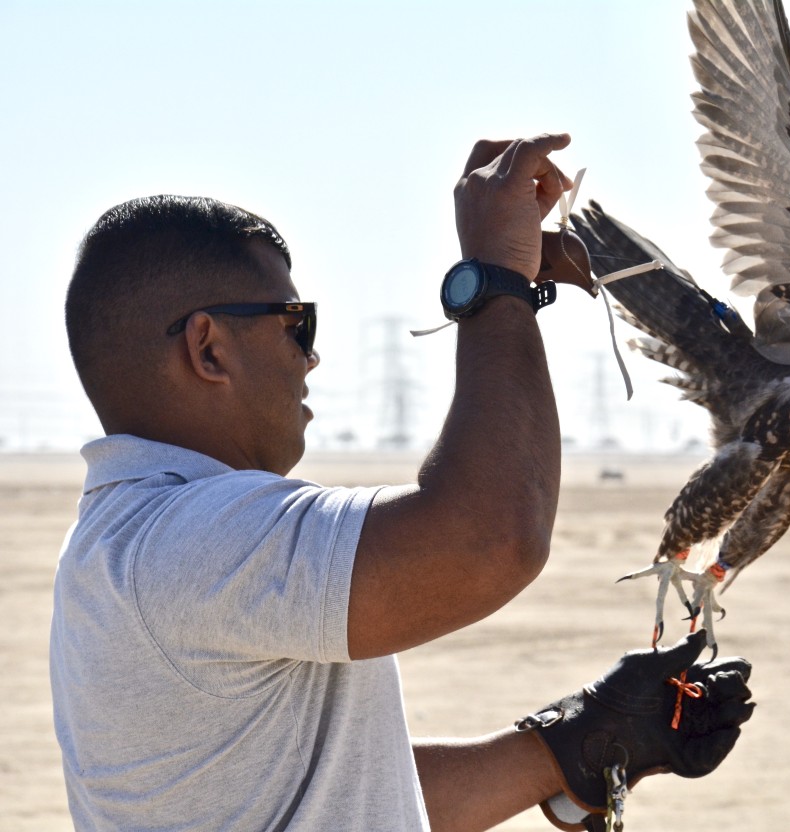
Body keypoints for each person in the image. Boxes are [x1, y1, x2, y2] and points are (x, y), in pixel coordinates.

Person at [50, 133, 754, 832]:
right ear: (208, 347)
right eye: (297, 324)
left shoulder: (133, 544)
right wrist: (494, 279)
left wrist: (576, 746)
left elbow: (349, 790)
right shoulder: (187, 539)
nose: (313, 356)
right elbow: (490, 539)